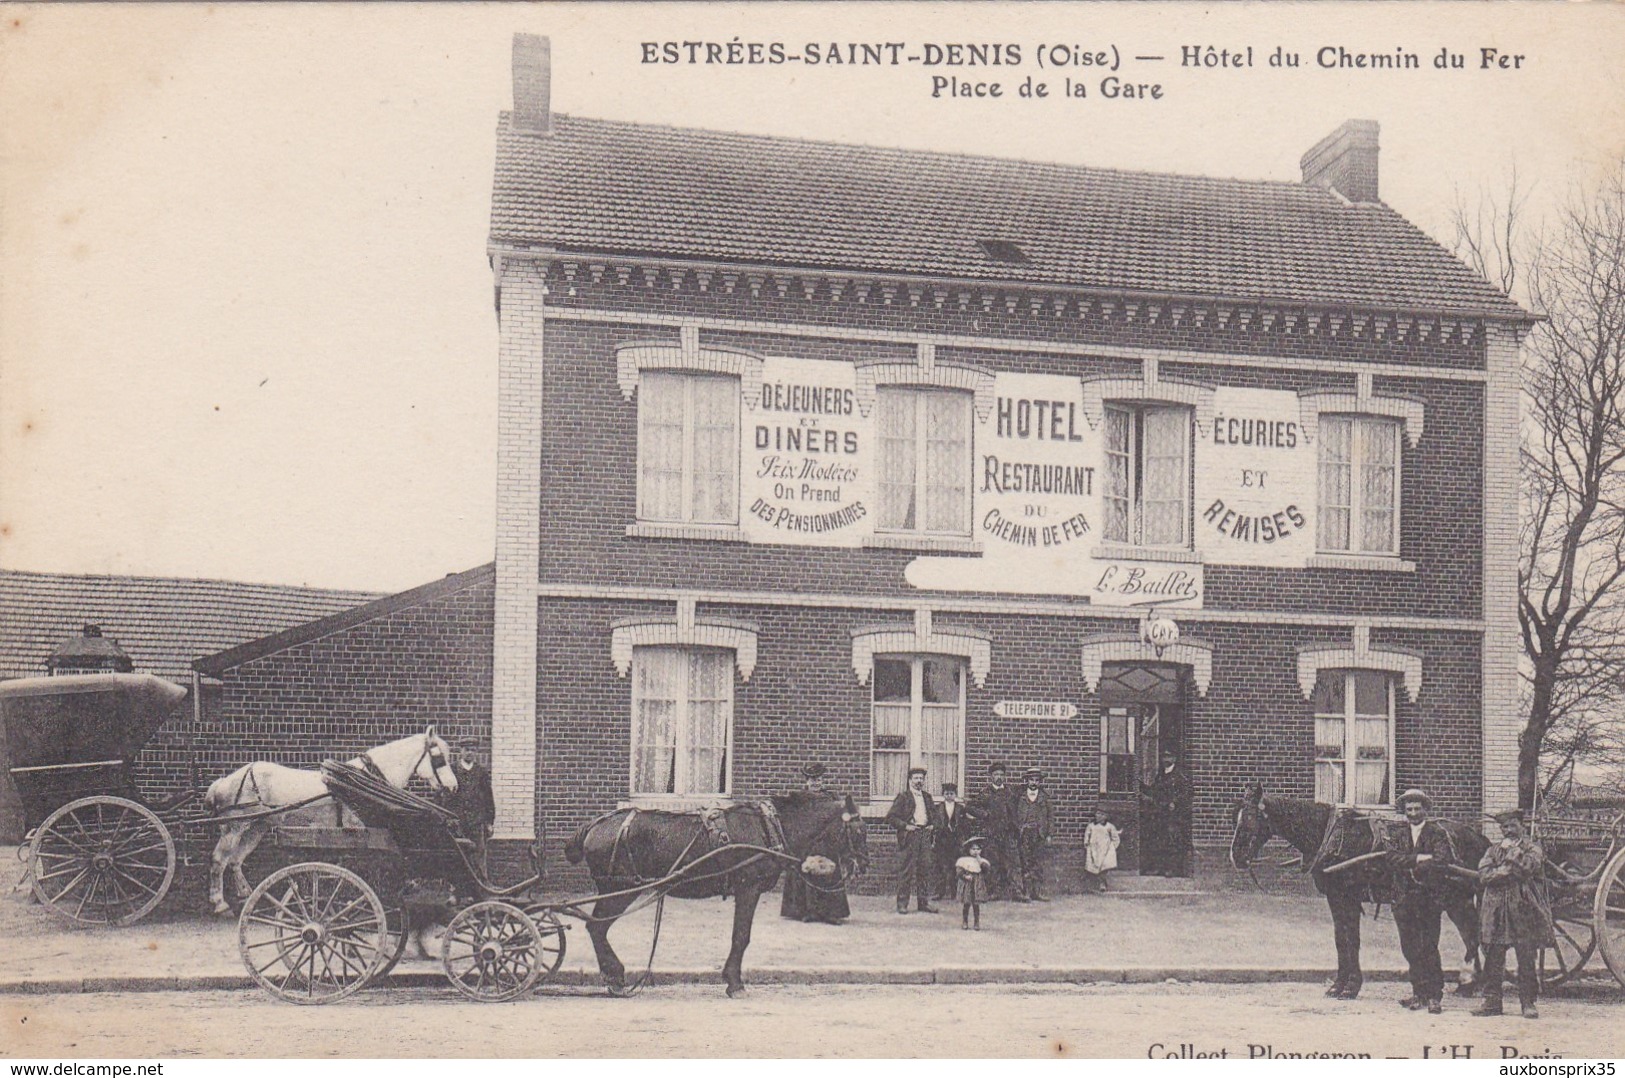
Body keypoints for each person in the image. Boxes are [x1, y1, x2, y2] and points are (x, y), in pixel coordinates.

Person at [1471, 808, 1555, 1019]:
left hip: (1523, 908)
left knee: (1525, 956)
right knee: (1493, 957)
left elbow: (1528, 867)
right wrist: (1507, 869)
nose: (1507, 830)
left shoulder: (1533, 848)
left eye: (1512, 825)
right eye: (1504, 827)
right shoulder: (1492, 850)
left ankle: (1528, 1003)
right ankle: (1492, 1002)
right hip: (1496, 909)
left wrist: (1505, 864)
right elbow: (1483, 875)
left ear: (1522, 825)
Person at [1389, 788, 1455, 1014]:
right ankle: (1418, 993)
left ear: (1425, 810)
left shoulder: (1437, 833)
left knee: (1429, 946)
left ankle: (1435, 996)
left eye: (1417, 809)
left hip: (1428, 900)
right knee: (1410, 948)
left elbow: (1442, 860)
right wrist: (1418, 858)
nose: (1413, 813)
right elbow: (1392, 858)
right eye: (1409, 809)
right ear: (1404, 811)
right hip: (1403, 899)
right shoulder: (1397, 834)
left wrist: (1411, 862)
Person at [779, 761, 852, 925]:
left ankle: (830, 913)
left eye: (819, 779)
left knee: (830, 874)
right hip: (806, 842)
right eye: (812, 780)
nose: (816, 783)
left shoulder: (831, 797)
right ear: (806, 781)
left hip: (828, 842)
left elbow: (843, 815)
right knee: (807, 873)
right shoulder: (798, 799)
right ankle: (807, 911)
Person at [884, 766, 938, 914]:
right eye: (916, 778)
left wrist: (932, 825)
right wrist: (905, 826)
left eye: (921, 778)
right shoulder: (904, 797)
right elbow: (891, 817)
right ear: (910, 780)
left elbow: (935, 815)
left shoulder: (927, 797)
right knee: (906, 870)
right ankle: (902, 904)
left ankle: (924, 902)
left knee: (925, 869)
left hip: (925, 835)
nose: (919, 781)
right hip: (910, 836)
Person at [971, 762, 1022, 900]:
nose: (999, 777)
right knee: (992, 862)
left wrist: (1015, 826)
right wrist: (985, 814)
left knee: (1013, 862)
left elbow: (1017, 810)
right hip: (992, 833)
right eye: (996, 774)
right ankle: (993, 892)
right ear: (991, 776)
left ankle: (1017, 892)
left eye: (1001, 774)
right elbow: (971, 807)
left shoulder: (1010, 792)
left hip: (1008, 833)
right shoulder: (985, 793)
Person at [1141, 751, 1192, 877]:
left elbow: (1187, 792)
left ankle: (1174, 869)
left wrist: (1175, 802)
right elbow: (1155, 790)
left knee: (1173, 839)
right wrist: (1142, 788)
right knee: (1161, 840)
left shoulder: (1180, 775)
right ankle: (1162, 868)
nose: (1166, 759)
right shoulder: (1161, 775)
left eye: (1169, 756)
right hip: (1161, 812)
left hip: (1175, 814)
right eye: (1164, 756)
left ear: (1174, 758)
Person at [932, 781, 979, 901]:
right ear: (943, 794)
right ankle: (939, 892)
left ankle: (955, 892)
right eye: (947, 793)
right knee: (941, 867)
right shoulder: (937, 808)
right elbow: (935, 823)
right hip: (942, 841)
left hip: (956, 842)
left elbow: (966, 825)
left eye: (951, 793)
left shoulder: (961, 808)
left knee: (956, 867)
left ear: (955, 795)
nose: (949, 796)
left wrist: (963, 838)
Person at [1013, 767, 1055, 900]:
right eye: (1031, 780)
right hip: (1024, 833)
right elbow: (1014, 815)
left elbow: (1050, 817)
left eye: (1037, 780)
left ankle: (1037, 892)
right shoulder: (1020, 797)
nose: (1034, 783)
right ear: (1026, 781)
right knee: (1025, 862)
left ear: (1040, 782)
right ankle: (1026, 892)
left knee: (1038, 863)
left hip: (1039, 833)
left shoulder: (1045, 798)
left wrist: (1049, 835)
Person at [956, 836, 991, 931]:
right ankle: (965, 921)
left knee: (976, 904)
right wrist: (965, 876)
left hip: (977, 883)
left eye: (978, 849)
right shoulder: (964, 860)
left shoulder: (982, 861)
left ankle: (976, 922)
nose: (976, 851)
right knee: (966, 904)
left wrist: (980, 860)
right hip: (968, 883)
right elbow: (959, 871)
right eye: (973, 849)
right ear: (969, 850)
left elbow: (986, 870)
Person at [1084, 808, 1122, 893]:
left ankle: (1102, 883)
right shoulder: (1091, 826)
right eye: (1097, 814)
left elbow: (1115, 838)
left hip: (1106, 849)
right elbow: (1087, 836)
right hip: (1094, 849)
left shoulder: (1109, 826)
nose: (1099, 816)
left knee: (1104, 866)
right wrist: (1087, 844)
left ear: (1106, 817)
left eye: (1101, 814)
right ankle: (1094, 884)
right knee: (1094, 865)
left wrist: (1112, 848)